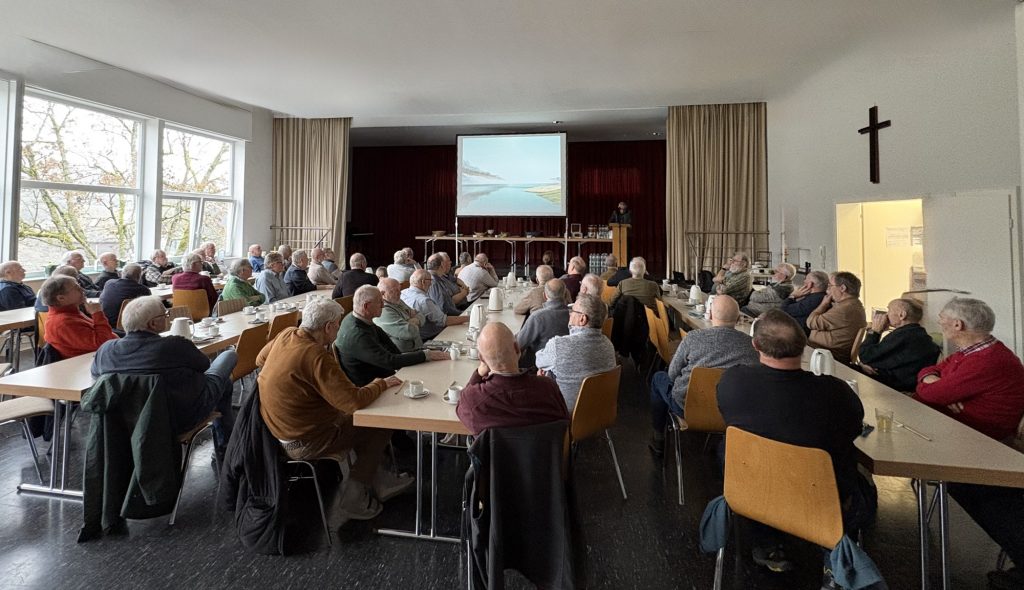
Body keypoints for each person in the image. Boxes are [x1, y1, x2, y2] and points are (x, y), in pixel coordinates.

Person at [717, 309, 876, 580]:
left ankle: (767, 542)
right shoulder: (834, 392)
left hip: (748, 492)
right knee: (864, 485)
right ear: (804, 347)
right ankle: (834, 558)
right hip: (820, 498)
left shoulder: (732, 380)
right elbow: (853, 429)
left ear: (754, 345)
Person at [256, 298, 412, 521]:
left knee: (362, 420)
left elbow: (259, 359)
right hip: (307, 441)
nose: (339, 328)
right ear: (328, 327)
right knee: (379, 421)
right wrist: (381, 383)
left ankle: (377, 478)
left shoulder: (288, 334)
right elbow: (353, 401)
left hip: (278, 433)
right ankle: (354, 497)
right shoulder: (315, 355)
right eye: (338, 324)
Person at [913, 297, 1024, 589]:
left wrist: (937, 387)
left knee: (973, 490)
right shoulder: (972, 352)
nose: (940, 324)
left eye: (943, 320)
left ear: (957, 325)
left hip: (986, 444)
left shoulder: (989, 360)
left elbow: (929, 394)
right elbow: (928, 372)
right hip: (965, 435)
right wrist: (936, 381)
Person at [91, 296, 237, 460]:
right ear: (153, 324)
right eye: (165, 315)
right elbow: (204, 365)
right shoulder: (174, 345)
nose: (168, 318)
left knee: (224, 383)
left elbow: (97, 377)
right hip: (180, 417)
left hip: (124, 423)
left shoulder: (105, 350)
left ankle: (227, 447)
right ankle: (226, 448)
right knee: (228, 358)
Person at [648, 295, 758, 455]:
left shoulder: (693, 338)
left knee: (659, 377)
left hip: (687, 407)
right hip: (732, 413)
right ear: (739, 318)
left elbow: (672, 374)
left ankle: (659, 438)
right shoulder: (752, 346)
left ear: (711, 316)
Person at [456, 322, 569, 436]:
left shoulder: (474, 402)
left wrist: (479, 374)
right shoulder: (549, 388)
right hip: (545, 453)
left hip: (499, 454)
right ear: (517, 349)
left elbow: (461, 404)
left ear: (482, 359)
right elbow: (565, 423)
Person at [335, 285, 449, 386]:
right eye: (380, 302)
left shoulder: (359, 318)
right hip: (372, 387)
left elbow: (394, 352)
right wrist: (426, 355)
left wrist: (427, 352)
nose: (383, 306)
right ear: (366, 306)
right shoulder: (358, 334)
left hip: (384, 376)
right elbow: (390, 362)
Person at [535, 294, 617, 411]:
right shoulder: (608, 345)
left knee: (543, 373)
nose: (570, 314)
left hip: (564, 414)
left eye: (573, 311)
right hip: (601, 412)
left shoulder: (558, 345)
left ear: (582, 319)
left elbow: (539, 361)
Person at [857, 298, 940, 392]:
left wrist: (875, 332)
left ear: (902, 315)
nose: (886, 315)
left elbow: (865, 355)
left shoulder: (902, 335)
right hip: (904, 383)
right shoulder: (920, 335)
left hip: (893, 388)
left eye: (889, 310)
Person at [39, 275, 118, 358]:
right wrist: (97, 313)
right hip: (96, 360)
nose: (82, 290)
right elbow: (103, 342)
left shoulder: (71, 312)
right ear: (61, 298)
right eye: (76, 288)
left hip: (105, 352)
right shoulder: (63, 323)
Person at [806, 271, 867, 364]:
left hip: (828, 354)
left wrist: (823, 305)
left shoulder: (845, 309)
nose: (828, 290)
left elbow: (811, 322)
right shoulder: (851, 305)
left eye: (830, 286)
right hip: (821, 350)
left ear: (842, 288)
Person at [516, 279, 571, 368]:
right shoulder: (573, 316)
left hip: (538, 366)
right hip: (566, 365)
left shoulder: (537, 317)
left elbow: (519, 344)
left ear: (544, 296)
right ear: (565, 295)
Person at [401, 269, 467, 340]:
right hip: (432, 337)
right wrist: (469, 318)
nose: (431, 283)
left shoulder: (402, 293)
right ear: (423, 282)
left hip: (412, 336)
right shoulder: (424, 301)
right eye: (430, 280)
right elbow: (444, 321)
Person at [374, 278, 423, 352]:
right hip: (403, 355)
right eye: (395, 290)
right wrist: (413, 321)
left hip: (418, 349)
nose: (400, 293)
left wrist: (413, 321)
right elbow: (409, 332)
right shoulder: (383, 310)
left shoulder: (397, 301)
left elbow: (421, 315)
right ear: (382, 294)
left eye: (399, 289)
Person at [99, 262, 152, 329]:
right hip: (127, 325)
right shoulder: (144, 290)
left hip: (105, 322)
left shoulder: (109, 283)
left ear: (122, 273)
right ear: (139, 276)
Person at [780, 270, 829, 334]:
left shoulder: (815, 299)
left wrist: (793, 296)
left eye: (805, 279)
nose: (804, 281)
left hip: (798, 333)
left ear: (810, 284)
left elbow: (784, 310)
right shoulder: (818, 296)